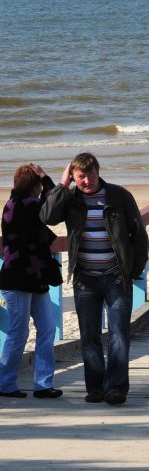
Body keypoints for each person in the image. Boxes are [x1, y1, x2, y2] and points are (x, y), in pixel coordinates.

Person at [40, 153, 149, 405]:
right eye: (80, 177)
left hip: (116, 277)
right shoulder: (70, 198)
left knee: (119, 334)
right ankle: (96, 387)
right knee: (89, 336)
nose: (87, 181)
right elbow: (46, 217)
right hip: (84, 279)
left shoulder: (118, 196)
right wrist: (62, 184)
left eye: (90, 175)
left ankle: (116, 388)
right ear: (74, 177)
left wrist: (134, 271)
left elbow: (139, 235)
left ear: (98, 172)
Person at [1, 164, 62, 399]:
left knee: (47, 328)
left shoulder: (19, 205)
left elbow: (50, 206)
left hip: (35, 276)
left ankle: (43, 384)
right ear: (33, 186)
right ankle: (5, 383)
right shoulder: (20, 206)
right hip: (16, 277)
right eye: (38, 185)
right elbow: (53, 203)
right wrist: (46, 178)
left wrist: (44, 180)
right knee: (19, 332)